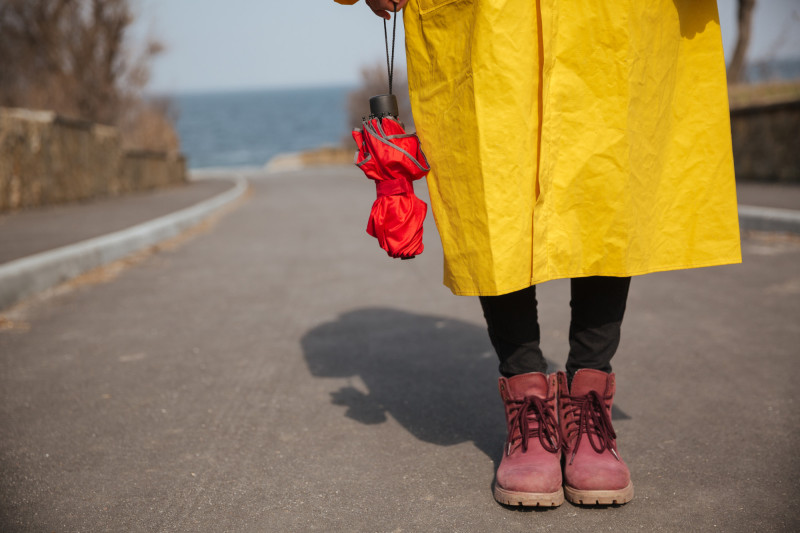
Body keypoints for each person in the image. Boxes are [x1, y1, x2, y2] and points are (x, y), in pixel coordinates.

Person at [335, 0, 741, 508]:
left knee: (606, 185)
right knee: (494, 189)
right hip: (484, 18)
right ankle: (526, 403)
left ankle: (588, 399)